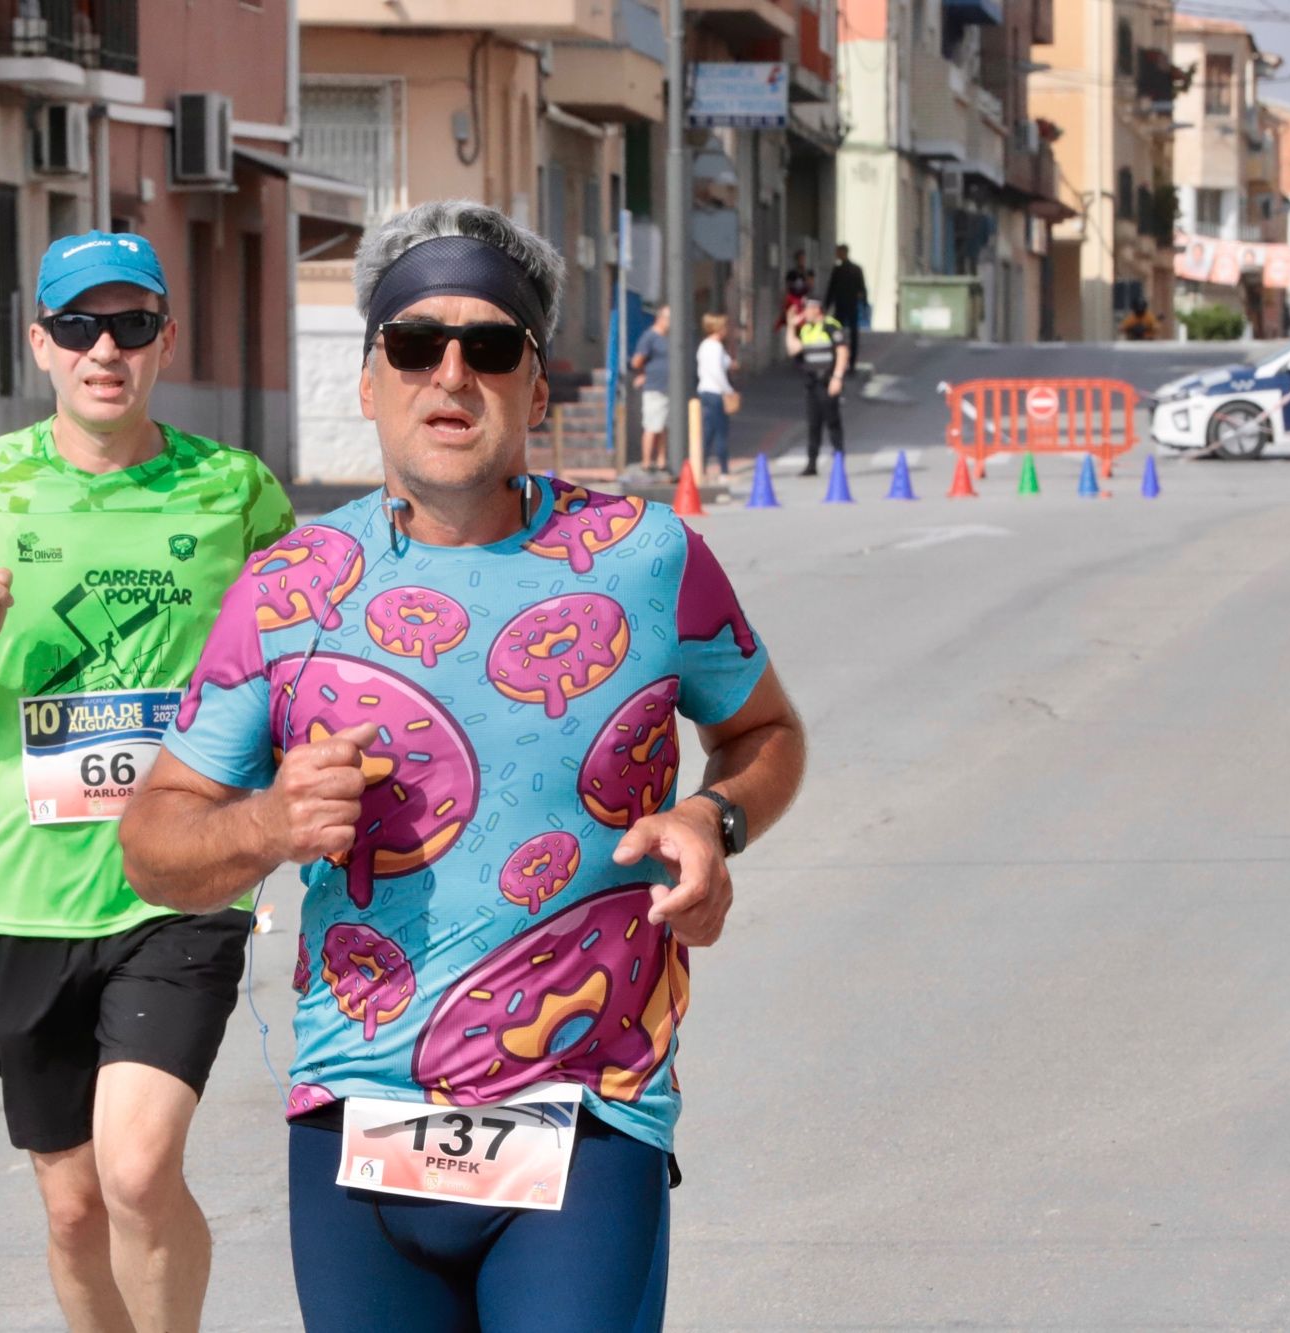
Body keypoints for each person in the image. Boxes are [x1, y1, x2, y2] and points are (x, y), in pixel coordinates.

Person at [118, 199, 807, 1333]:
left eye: (490, 347)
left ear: (536, 389)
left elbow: (764, 735)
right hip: (356, 1121)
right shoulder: (287, 589)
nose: (451, 373)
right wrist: (266, 826)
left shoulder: (647, 558)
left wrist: (712, 819)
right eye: (413, 344)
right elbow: (154, 841)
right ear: (369, 379)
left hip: (586, 1113)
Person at [0, 229, 295, 1333]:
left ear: (165, 340)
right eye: (77, 326)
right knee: (72, 1211)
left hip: (181, 887)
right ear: (41, 345)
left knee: (135, 1169)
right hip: (26, 897)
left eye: (128, 325)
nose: (102, 349)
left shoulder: (235, 492)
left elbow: (303, 658)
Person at [786, 295, 847, 476]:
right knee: (813, 424)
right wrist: (790, 326)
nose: (804, 313)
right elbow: (793, 349)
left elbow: (842, 351)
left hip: (827, 381)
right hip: (811, 383)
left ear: (816, 309)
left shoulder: (830, 326)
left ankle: (839, 461)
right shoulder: (805, 329)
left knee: (832, 422)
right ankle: (811, 463)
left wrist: (837, 377)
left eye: (806, 309)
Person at [630, 304, 672, 475]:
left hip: (667, 388)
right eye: (669, 319)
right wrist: (643, 374)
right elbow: (637, 361)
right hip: (654, 387)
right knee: (651, 425)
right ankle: (646, 462)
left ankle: (661, 460)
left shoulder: (668, 338)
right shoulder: (650, 337)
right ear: (660, 318)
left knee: (663, 426)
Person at [696, 313, 737, 479]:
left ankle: (702, 465)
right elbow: (717, 372)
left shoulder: (706, 345)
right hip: (715, 392)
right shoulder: (715, 347)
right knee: (721, 431)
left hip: (705, 390)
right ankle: (724, 469)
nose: (727, 330)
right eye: (725, 327)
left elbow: (725, 363)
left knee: (709, 431)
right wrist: (728, 390)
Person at [822, 243, 867, 373]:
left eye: (838, 252)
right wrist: (863, 304)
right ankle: (850, 363)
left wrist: (826, 306)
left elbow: (832, 289)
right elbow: (862, 289)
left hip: (843, 306)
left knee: (838, 335)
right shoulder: (854, 269)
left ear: (843, 253)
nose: (837, 255)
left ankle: (839, 361)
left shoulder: (840, 270)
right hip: (850, 306)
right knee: (851, 335)